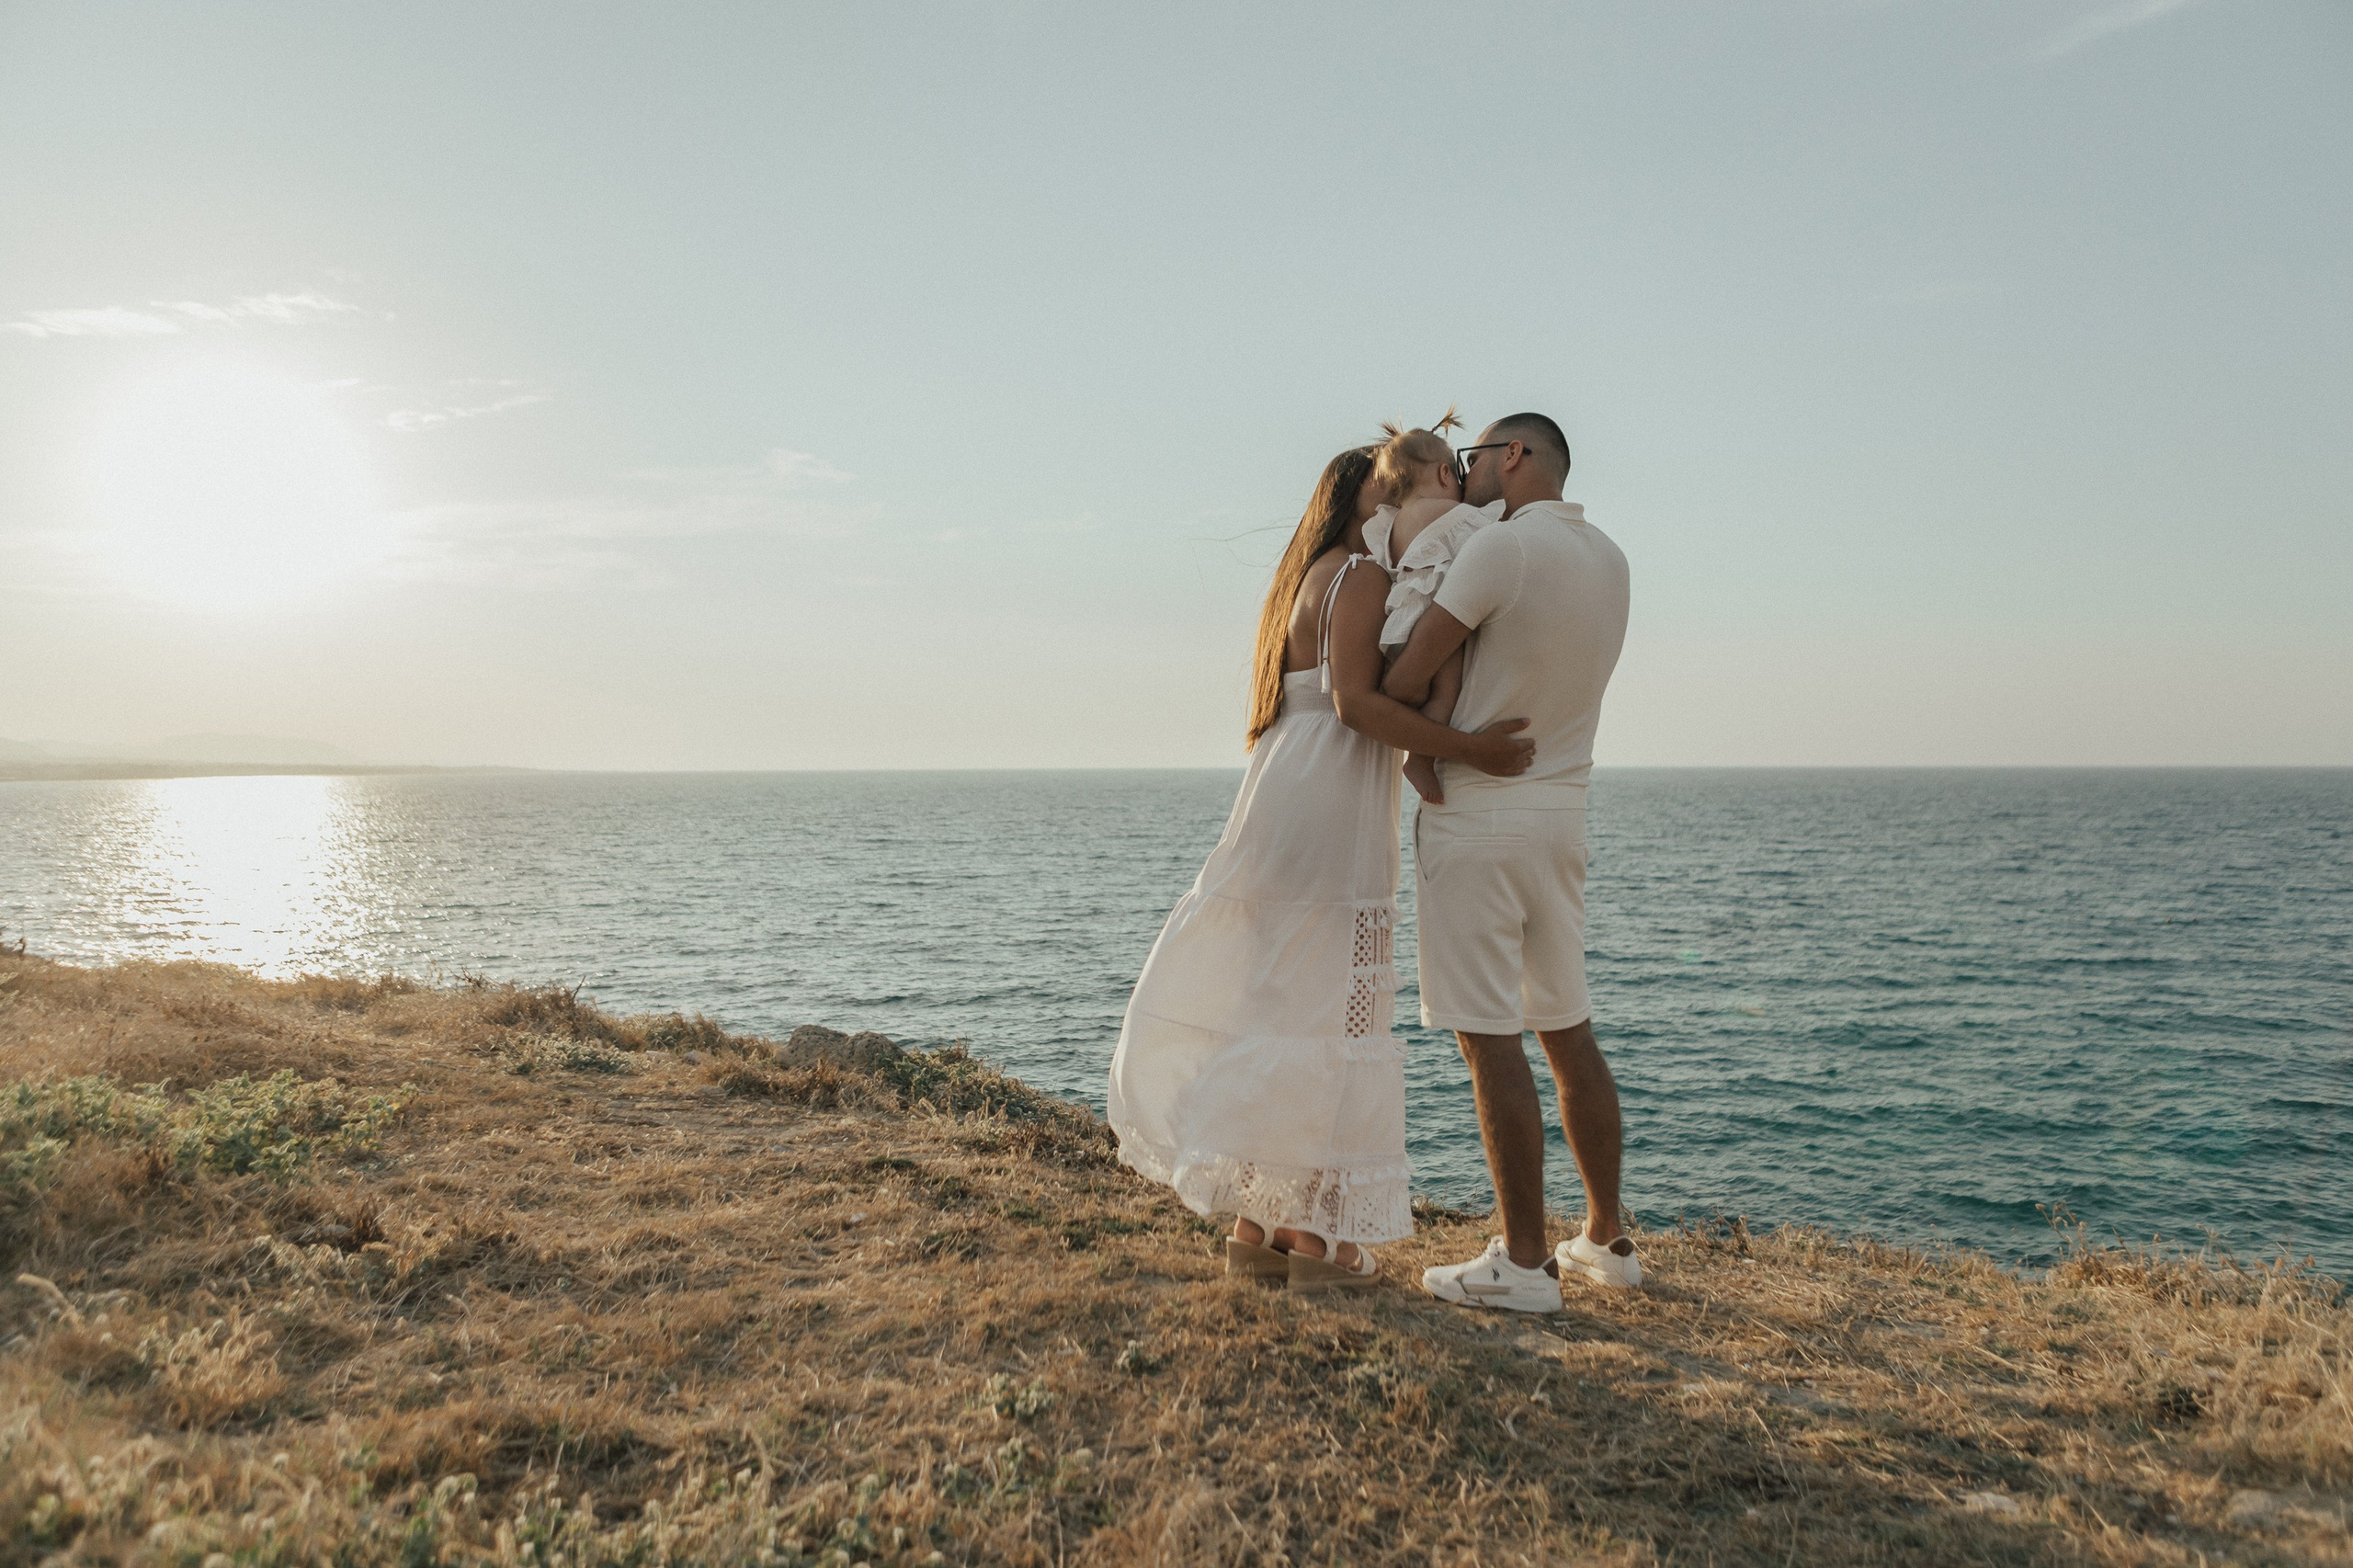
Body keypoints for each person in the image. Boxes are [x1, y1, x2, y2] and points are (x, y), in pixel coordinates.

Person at [1106, 443, 1536, 1292]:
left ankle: (1258, 1225)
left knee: (1282, 997)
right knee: (1331, 1005)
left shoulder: (1309, 578)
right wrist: (1469, 749)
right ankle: (1312, 1238)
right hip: (1332, 789)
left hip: (1287, 783)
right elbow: (1356, 704)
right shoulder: (1361, 576)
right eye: (1396, 483)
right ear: (1369, 496)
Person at [1381, 413, 1637, 1312]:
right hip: (1563, 814)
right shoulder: (1611, 559)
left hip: (1479, 813)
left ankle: (1525, 1263)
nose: (1466, 472)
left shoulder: (1498, 548)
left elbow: (1408, 675)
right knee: (1566, 1027)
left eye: (1475, 456)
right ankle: (1605, 1238)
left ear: (1515, 456)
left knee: (1489, 1040)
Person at [1359, 410, 1506, 808]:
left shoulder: (1391, 524)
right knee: (1446, 694)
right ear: (1444, 474)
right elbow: (1491, 532)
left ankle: (1418, 751)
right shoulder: (1454, 516)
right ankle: (1420, 760)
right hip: (1429, 616)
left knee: (1428, 696)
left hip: (1398, 625)